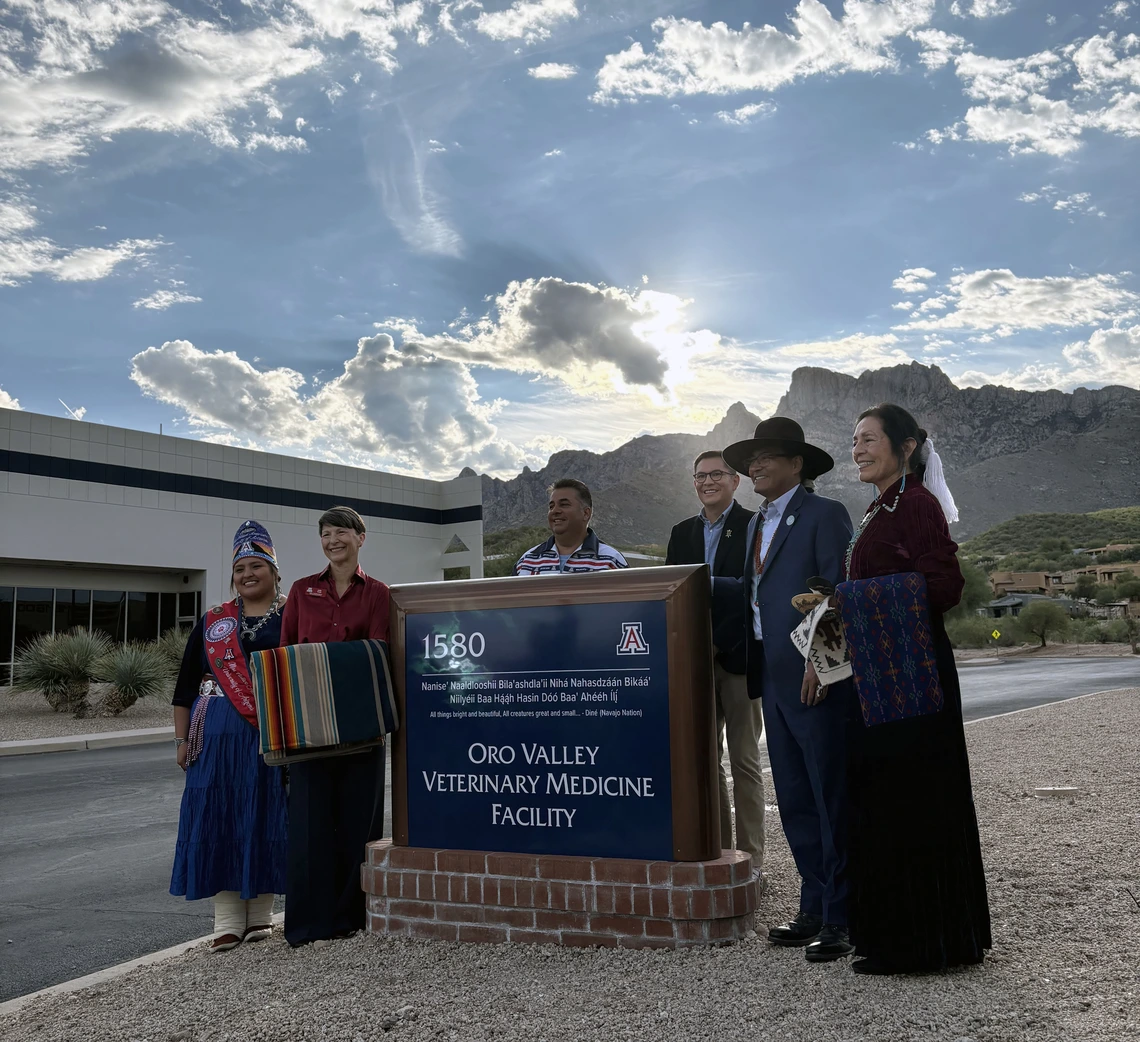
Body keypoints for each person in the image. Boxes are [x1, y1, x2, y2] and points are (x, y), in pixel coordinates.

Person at [844, 403, 991, 975]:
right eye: (854, 440)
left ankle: (922, 943)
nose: (857, 448)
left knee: (913, 798)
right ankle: (891, 933)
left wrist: (856, 600)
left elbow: (945, 584)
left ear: (905, 448)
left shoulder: (919, 505)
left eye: (869, 439)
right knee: (883, 797)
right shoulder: (879, 508)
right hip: (882, 673)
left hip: (913, 674)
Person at [714, 417, 855, 963]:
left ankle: (844, 916)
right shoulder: (753, 525)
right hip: (769, 676)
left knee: (829, 793)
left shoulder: (824, 515)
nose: (755, 466)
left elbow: (837, 593)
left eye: (767, 456)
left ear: (797, 464)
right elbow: (755, 596)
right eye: (751, 459)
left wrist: (823, 663)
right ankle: (814, 906)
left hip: (812, 677)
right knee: (794, 796)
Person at [170, 520, 288, 951]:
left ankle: (260, 916)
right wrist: (182, 741)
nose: (248, 574)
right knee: (218, 815)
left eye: (257, 565)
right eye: (240, 569)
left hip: (271, 728)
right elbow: (184, 687)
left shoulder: (292, 616)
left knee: (265, 813)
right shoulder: (214, 621)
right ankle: (226, 920)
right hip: (216, 733)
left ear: (276, 572)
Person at [279, 505, 391, 946]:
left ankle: (351, 919)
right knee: (309, 823)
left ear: (360, 538)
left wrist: (327, 663)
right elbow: (286, 654)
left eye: (341, 532)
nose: (332, 540)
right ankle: (309, 924)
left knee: (358, 821)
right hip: (309, 726)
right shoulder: (302, 591)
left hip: (360, 724)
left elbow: (379, 650)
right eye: (325, 534)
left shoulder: (379, 593)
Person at [666, 451, 765, 882]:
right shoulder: (681, 533)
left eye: (716, 475)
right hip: (695, 663)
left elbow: (755, 587)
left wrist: (704, 582)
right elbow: (673, 592)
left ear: (735, 481)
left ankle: (752, 859)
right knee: (707, 760)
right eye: (699, 476)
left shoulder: (754, 525)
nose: (707, 482)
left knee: (744, 760)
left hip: (738, 659)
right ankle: (723, 853)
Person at [513, 479, 628, 574]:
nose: (555, 511)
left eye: (564, 505)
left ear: (586, 513)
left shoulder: (611, 561)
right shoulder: (526, 562)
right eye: (551, 506)